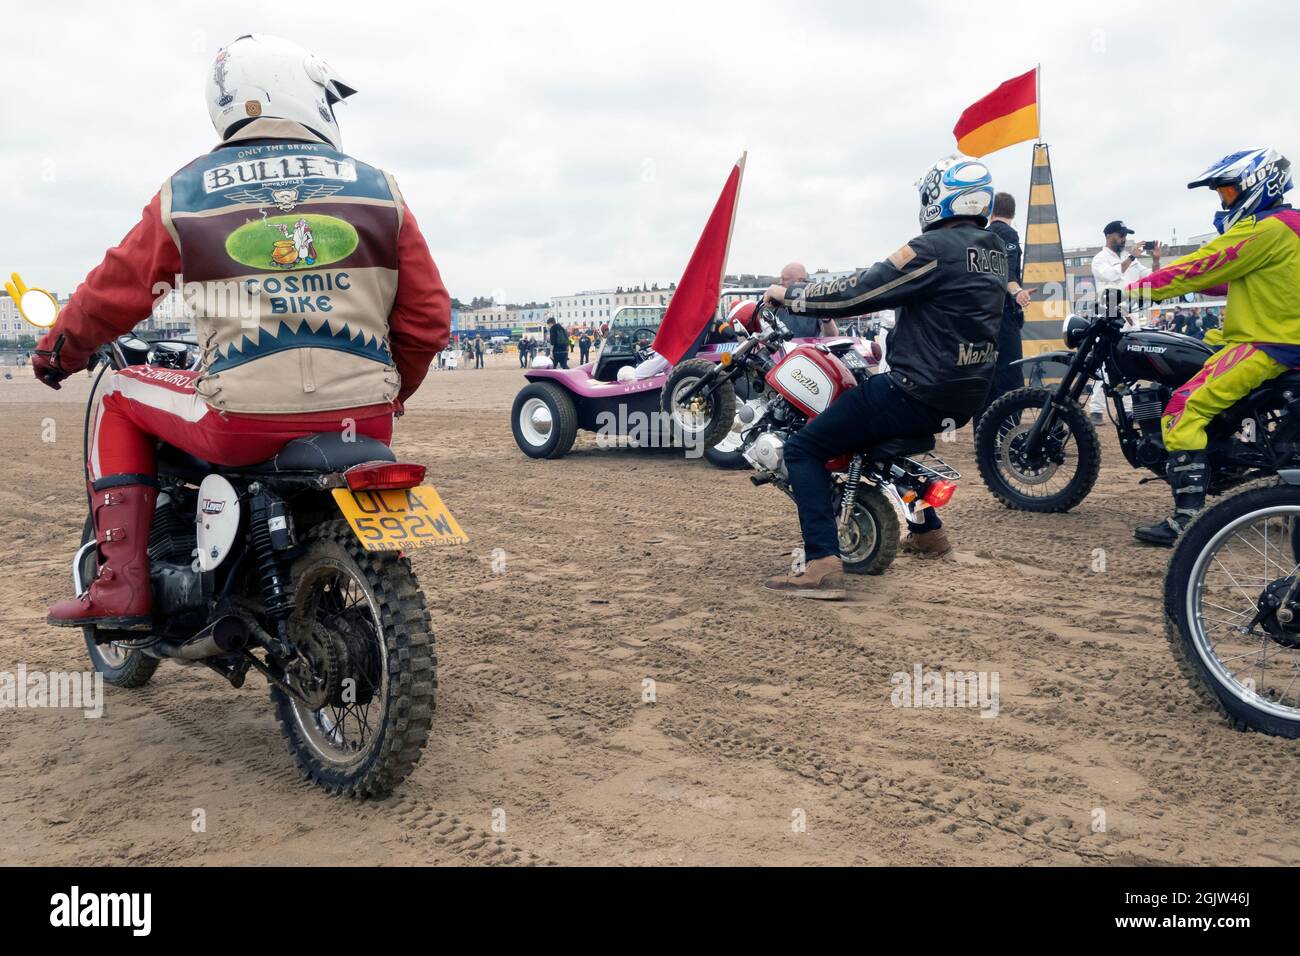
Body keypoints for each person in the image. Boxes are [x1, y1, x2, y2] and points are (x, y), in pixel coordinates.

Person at [32, 34, 450, 628]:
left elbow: (113, 291)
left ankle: (120, 583)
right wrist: (390, 390)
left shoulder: (187, 190)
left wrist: (58, 352)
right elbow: (429, 318)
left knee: (118, 391)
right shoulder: (380, 187)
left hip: (241, 421)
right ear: (296, 93)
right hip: (366, 416)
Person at [760, 155, 1006, 598]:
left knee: (803, 448)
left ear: (938, 198)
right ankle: (928, 532)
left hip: (917, 390)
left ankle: (820, 563)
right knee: (869, 440)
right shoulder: (993, 253)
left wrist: (789, 294)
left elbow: (856, 292)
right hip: (966, 395)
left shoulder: (930, 250)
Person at [1128, 148, 1299, 546]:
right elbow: (1222, 276)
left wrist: (1123, 296)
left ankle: (1188, 522)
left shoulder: (1264, 229)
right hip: (1274, 336)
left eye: (1226, 193)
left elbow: (1195, 267)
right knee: (1202, 348)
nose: (1224, 203)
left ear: (1257, 187)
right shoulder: (1289, 226)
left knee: (1181, 409)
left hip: (1269, 342)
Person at [1089, 221, 1164, 422]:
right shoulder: (1099, 259)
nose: (1123, 239)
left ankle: (1128, 408)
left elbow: (1150, 278)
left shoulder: (1130, 259)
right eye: (1120, 235)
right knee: (1106, 364)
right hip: (1109, 313)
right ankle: (1097, 408)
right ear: (1109, 236)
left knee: (1128, 361)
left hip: (1130, 314)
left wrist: (1156, 261)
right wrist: (1132, 257)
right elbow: (1111, 274)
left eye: (1125, 235)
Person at [981, 192, 1032, 417]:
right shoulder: (1007, 233)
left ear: (991, 212)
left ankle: (983, 442)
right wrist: (1017, 291)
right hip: (1003, 317)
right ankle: (1007, 441)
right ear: (1012, 213)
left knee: (986, 382)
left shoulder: (980, 236)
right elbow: (1008, 272)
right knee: (1010, 380)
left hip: (982, 318)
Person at [772, 263, 838, 338]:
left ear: (800, 282)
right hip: (780, 348)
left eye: (785, 279)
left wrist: (826, 316)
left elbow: (832, 336)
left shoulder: (814, 301)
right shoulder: (774, 301)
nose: (780, 282)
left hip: (806, 348)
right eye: (781, 278)